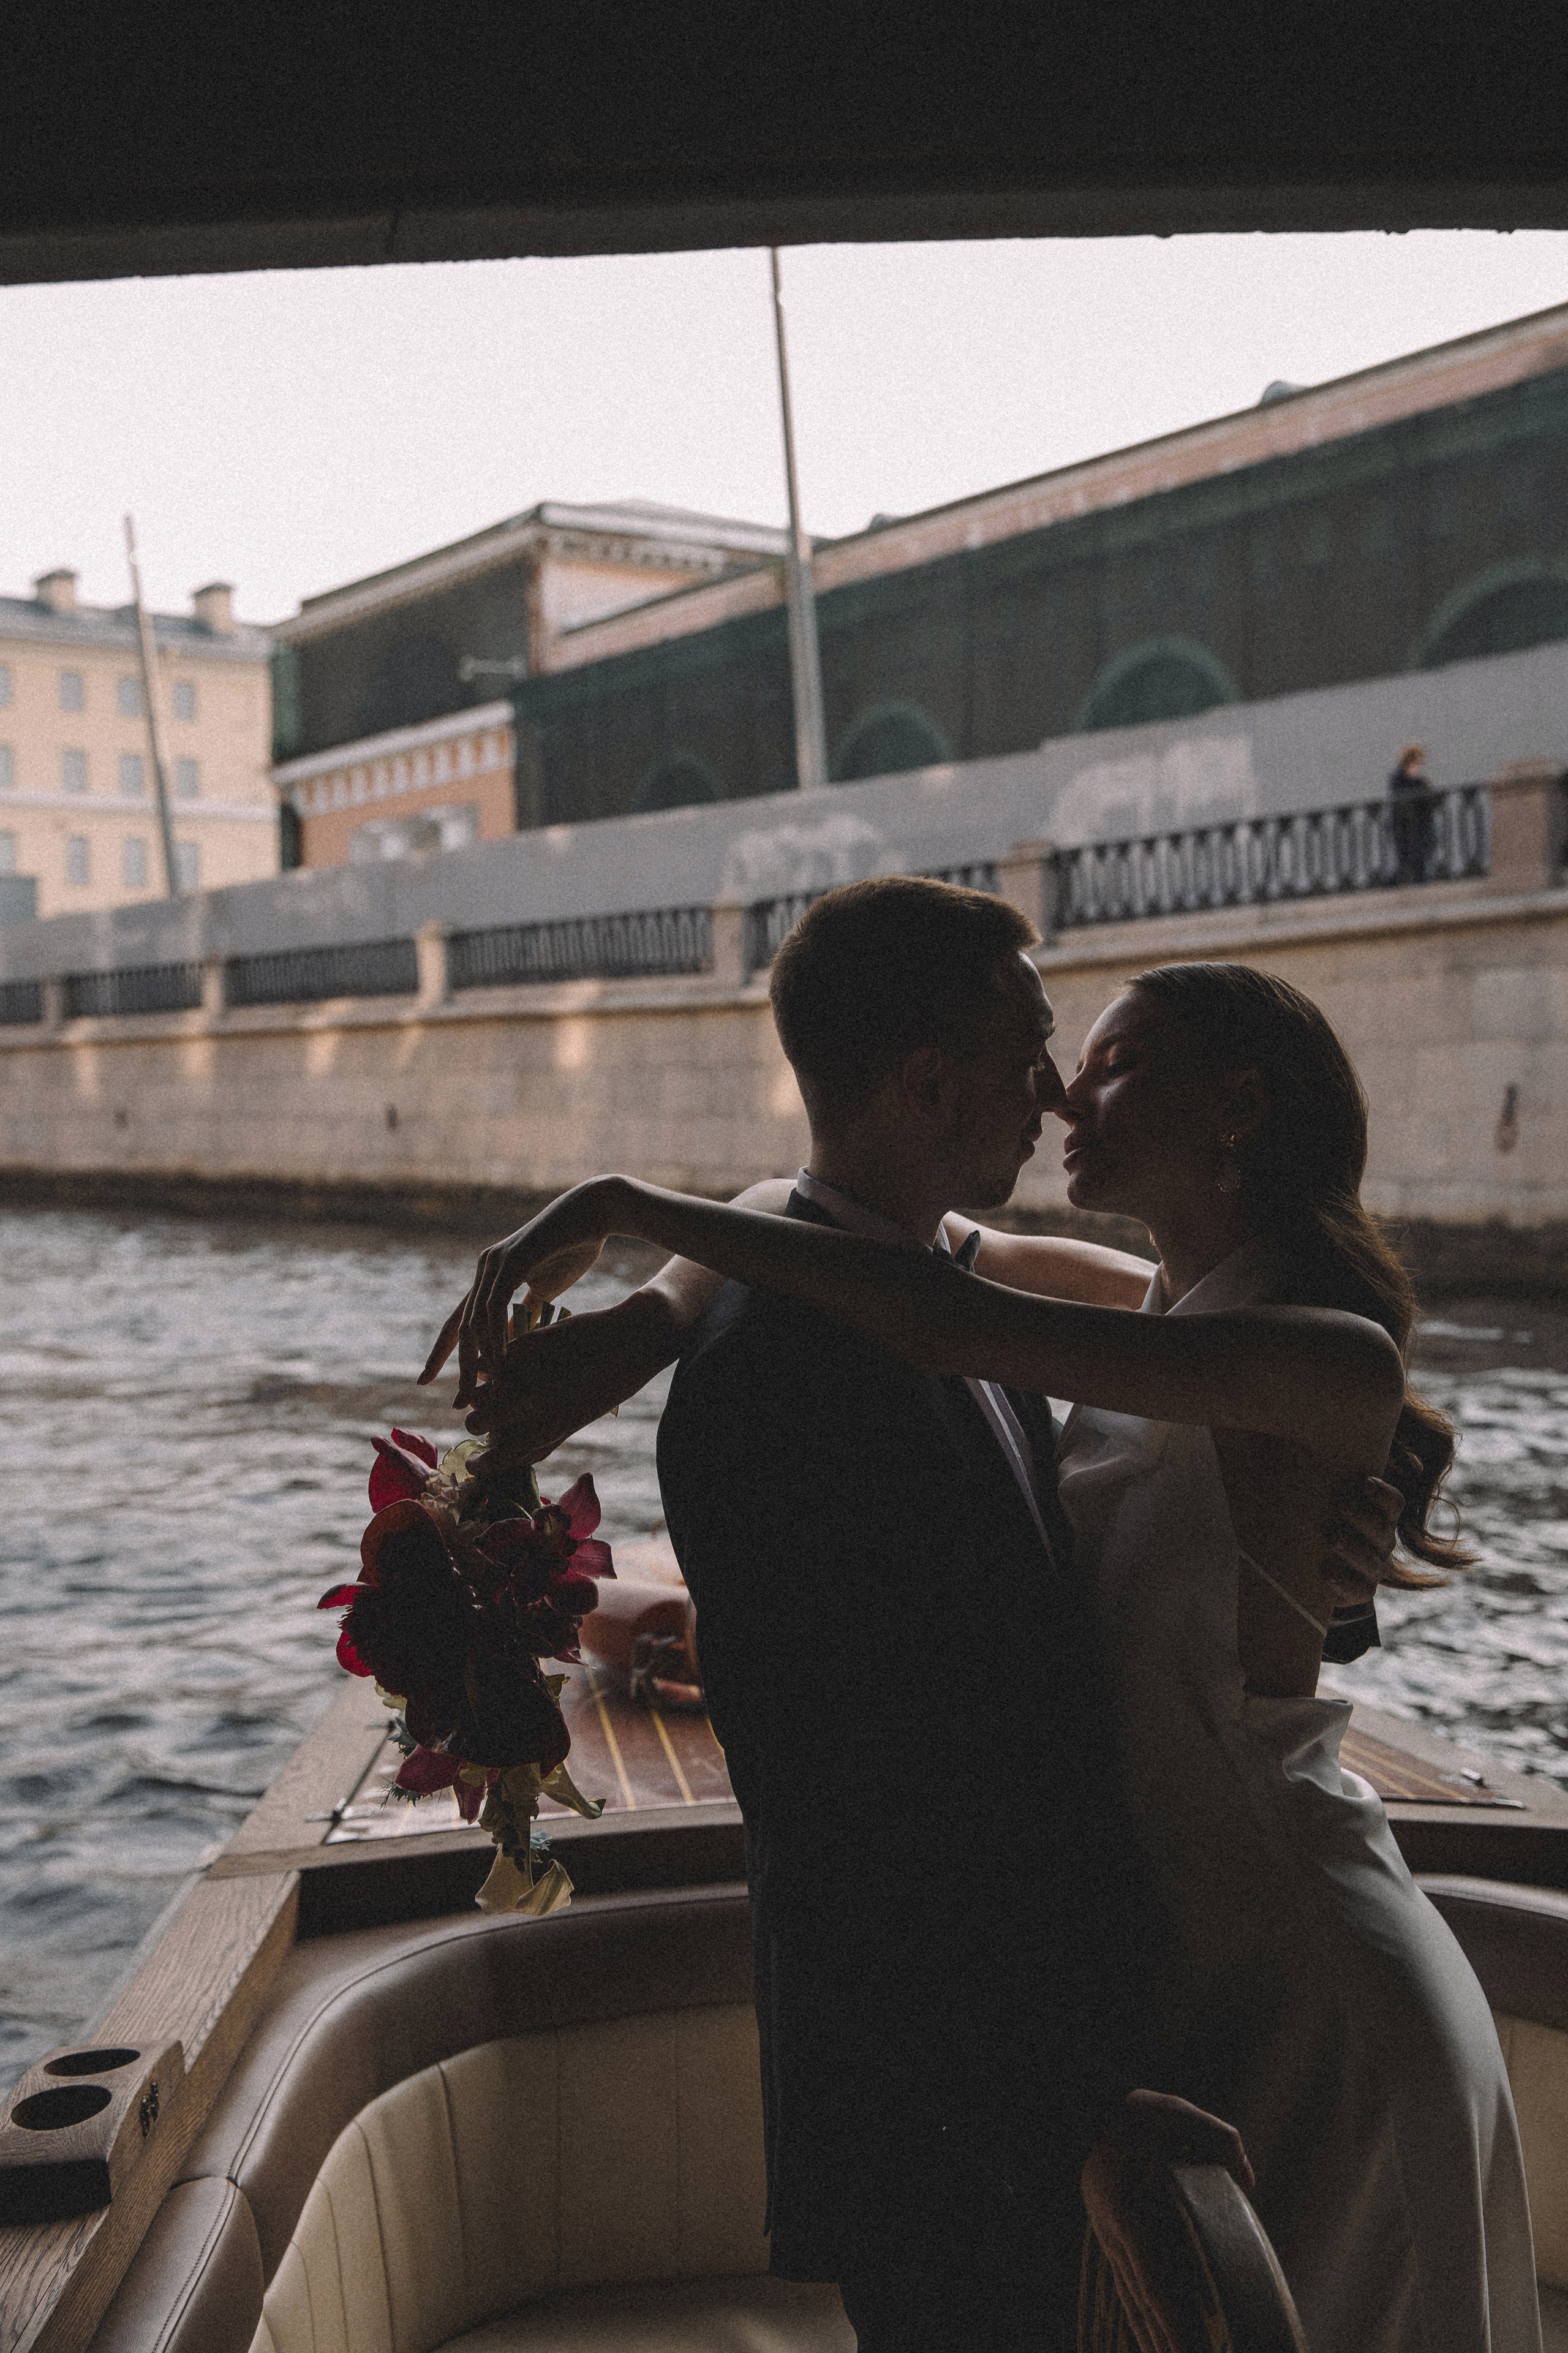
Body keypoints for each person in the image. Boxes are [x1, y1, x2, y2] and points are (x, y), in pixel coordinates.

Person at [421, 883, 1433, 2351]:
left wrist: (1309, 1586)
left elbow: (936, 1308)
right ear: (925, 1081)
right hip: (964, 2097)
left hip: (1140, 2014)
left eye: (1089, 1059)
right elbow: (853, 1797)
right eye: (1033, 1045)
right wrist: (1052, 2092)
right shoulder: (784, 1363)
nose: (1056, 1089)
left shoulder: (962, 1298)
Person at [1389, 740, 1438, 884]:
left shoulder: (1420, 782)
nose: (1419, 767)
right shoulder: (1397, 779)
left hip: (1420, 826)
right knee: (1407, 860)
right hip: (1404, 827)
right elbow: (1401, 798)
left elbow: (1428, 805)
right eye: (1417, 763)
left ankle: (1418, 882)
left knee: (1420, 859)